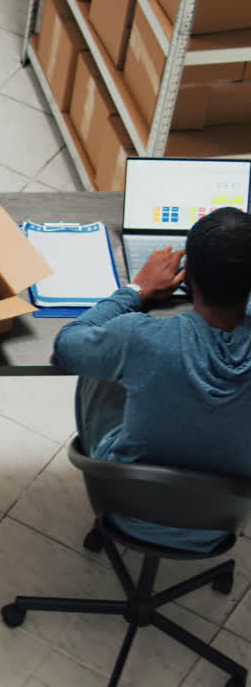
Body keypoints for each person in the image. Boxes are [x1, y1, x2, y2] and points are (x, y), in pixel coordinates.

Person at [55, 206, 251, 551]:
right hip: (217, 523)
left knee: (98, 374)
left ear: (188, 276)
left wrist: (136, 290)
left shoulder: (141, 339)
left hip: (123, 505)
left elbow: (68, 344)